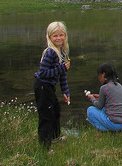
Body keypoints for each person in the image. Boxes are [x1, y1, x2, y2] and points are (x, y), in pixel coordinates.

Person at [33, 21, 71, 150]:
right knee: (46, 116)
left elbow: (63, 74)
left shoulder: (62, 51)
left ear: (65, 36)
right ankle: (45, 147)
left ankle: (55, 138)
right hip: (42, 86)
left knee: (56, 111)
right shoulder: (50, 52)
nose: (59, 38)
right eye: (55, 36)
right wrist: (61, 69)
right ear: (49, 37)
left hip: (49, 87)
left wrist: (65, 92)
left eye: (61, 35)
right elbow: (43, 73)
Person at [86, 63, 122, 131]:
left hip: (114, 124)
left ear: (103, 74)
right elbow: (113, 101)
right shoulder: (119, 85)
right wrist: (100, 97)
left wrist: (92, 98)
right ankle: (113, 129)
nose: (98, 78)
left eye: (99, 75)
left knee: (90, 110)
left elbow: (99, 106)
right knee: (104, 109)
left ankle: (105, 129)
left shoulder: (104, 88)